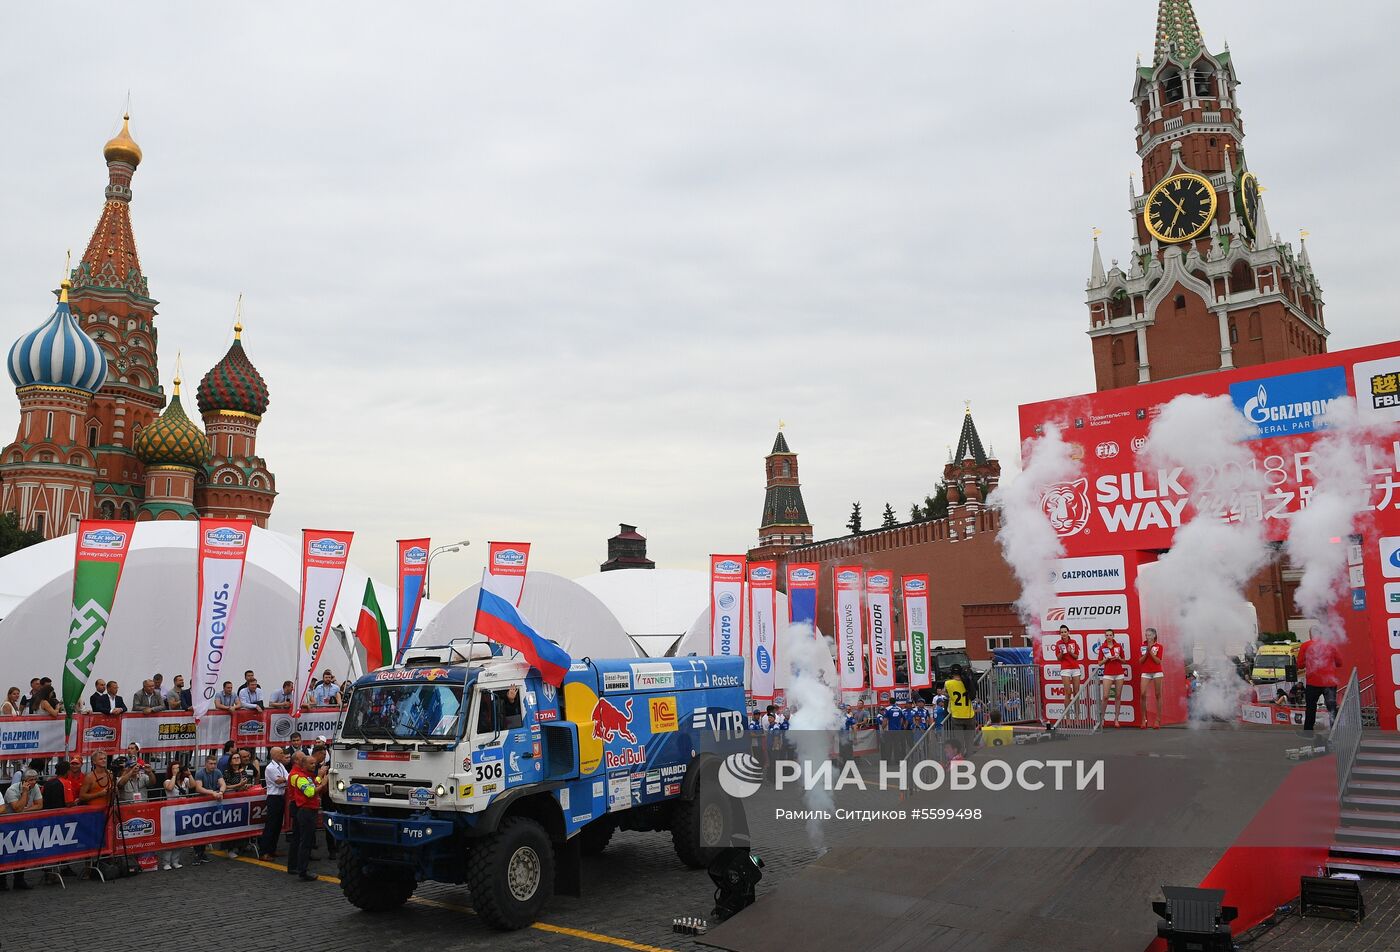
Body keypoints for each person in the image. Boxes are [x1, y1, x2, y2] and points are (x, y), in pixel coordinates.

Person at [287, 751, 327, 881]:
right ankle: (301, 869)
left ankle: (296, 866)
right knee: (303, 840)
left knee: (300, 838)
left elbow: (311, 785)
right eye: (311, 763)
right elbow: (310, 791)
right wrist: (322, 783)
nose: (314, 765)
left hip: (303, 808)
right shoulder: (297, 775)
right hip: (303, 808)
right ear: (300, 762)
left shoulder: (303, 775)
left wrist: (320, 778)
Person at [2, 769, 43, 891]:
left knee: (21, 852)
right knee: (6, 853)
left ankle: (19, 880)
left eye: (35, 779)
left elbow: (39, 805)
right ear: (24, 781)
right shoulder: (12, 790)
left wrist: (24, 810)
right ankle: (2, 881)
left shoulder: (35, 787)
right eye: (30, 780)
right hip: (7, 826)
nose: (33, 782)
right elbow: (17, 808)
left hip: (23, 824)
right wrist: (25, 793)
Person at [1298, 634, 1344, 735]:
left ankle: (1308, 732)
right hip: (1329, 682)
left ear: (1310, 634)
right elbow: (1340, 662)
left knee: (1310, 707)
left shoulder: (1305, 646)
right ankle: (1336, 732)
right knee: (1332, 707)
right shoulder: (1331, 645)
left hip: (1313, 682)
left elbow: (1300, 665)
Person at [191, 755, 225, 865]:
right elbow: (198, 788)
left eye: (214, 763)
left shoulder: (218, 772)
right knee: (199, 828)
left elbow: (223, 784)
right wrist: (212, 792)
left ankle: (202, 852)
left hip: (212, 802)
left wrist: (221, 792)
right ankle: (197, 853)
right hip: (201, 803)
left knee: (207, 828)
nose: (213, 766)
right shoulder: (200, 773)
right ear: (206, 763)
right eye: (210, 763)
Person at [161, 763, 196, 869]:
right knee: (170, 837)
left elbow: (193, 786)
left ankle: (175, 860)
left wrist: (189, 774)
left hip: (183, 812)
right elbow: (170, 788)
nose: (177, 769)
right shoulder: (167, 781)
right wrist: (174, 775)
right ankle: (166, 862)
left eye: (178, 768)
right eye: (174, 768)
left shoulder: (185, 781)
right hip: (171, 813)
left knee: (180, 837)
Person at [259, 747, 289, 860]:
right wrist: (285, 779)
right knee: (271, 826)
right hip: (273, 798)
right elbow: (279, 782)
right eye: (281, 753)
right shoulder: (270, 768)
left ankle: (272, 849)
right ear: (274, 755)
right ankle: (264, 852)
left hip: (280, 797)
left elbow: (287, 777)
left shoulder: (280, 765)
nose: (283, 755)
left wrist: (284, 779)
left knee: (277, 826)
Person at [1052, 626, 1084, 721]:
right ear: (1060, 634)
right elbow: (1058, 658)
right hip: (1065, 669)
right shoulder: (1058, 643)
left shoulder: (1073, 642)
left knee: (1076, 693)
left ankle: (1077, 717)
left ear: (1068, 632)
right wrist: (1062, 653)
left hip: (1075, 669)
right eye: (1062, 632)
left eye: (1065, 632)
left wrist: (1070, 652)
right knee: (1068, 693)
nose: (1064, 633)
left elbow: (1076, 656)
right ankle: (1068, 717)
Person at [1097, 630, 1128, 728]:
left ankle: (1116, 719)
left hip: (1119, 673)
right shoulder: (1102, 647)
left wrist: (1118, 658)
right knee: (1105, 696)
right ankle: (1102, 719)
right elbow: (1099, 663)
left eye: (1110, 635)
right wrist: (1106, 659)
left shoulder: (1118, 646)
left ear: (1113, 636)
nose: (1109, 637)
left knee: (1118, 696)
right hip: (1108, 674)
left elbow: (1124, 661)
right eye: (1107, 635)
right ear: (1105, 636)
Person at [1139, 628, 1165, 729]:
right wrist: (1147, 652)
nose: (1147, 637)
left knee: (1158, 694)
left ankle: (1158, 720)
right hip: (1145, 672)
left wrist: (1150, 651)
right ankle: (1143, 719)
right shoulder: (1142, 646)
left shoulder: (1159, 646)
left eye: (1149, 635)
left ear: (1154, 636)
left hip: (1157, 672)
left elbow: (1158, 661)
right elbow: (1140, 661)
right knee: (1142, 694)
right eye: (1146, 635)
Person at [946, 665, 976, 735]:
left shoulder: (948, 683)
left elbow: (946, 693)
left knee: (959, 741)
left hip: (957, 715)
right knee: (969, 741)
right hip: (969, 715)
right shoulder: (968, 683)